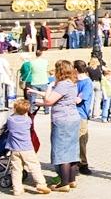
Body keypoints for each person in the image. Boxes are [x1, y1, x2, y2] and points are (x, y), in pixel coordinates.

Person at [34, 60, 80, 191]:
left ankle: (64, 183)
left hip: (63, 120)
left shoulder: (62, 84)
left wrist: (49, 87)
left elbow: (49, 100)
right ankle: (71, 180)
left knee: (61, 151)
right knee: (72, 150)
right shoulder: (72, 83)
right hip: (73, 118)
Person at [5, 98, 51, 196]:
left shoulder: (10, 119)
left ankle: (17, 189)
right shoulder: (27, 120)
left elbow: (9, 120)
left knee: (16, 169)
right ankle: (41, 184)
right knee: (34, 166)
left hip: (15, 149)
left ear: (14, 109)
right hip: (27, 149)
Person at [72, 60, 93, 176]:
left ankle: (83, 163)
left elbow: (79, 99)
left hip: (81, 114)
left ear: (76, 69)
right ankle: (74, 162)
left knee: (81, 140)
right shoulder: (75, 81)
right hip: (73, 114)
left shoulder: (87, 82)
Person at [28, 50, 50, 114]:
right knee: (45, 96)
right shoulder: (45, 61)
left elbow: (30, 70)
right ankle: (46, 110)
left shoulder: (32, 62)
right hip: (43, 80)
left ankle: (32, 110)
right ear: (41, 54)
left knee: (33, 97)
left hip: (35, 81)